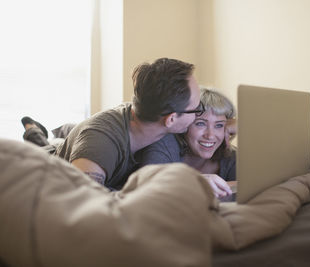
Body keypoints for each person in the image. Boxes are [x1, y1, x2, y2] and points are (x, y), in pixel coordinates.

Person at [53, 58, 202, 191]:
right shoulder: (100, 141)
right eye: (196, 109)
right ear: (171, 119)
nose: (197, 115)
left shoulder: (150, 120)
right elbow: (82, 202)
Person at [137, 87, 237, 198]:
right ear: (185, 123)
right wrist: (195, 183)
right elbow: (148, 187)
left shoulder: (231, 156)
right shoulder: (165, 143)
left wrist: (247, 129)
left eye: (219, 125)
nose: (210, 135)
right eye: (200, 124)